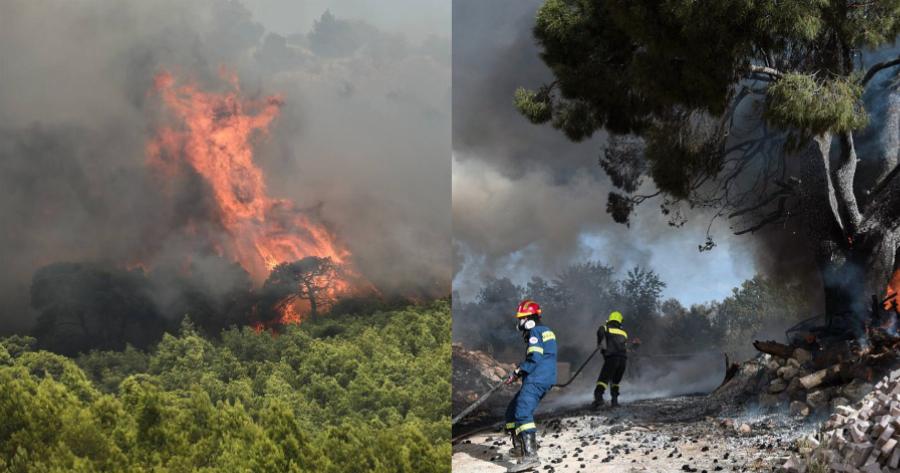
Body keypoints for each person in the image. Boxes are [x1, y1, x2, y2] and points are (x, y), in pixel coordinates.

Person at [503, 299, 557, 472]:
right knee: (511, 412)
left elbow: (534, 358)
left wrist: (518, 371)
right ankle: (520, 448)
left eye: (522, 319)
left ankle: (531, 457)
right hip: (541, 377)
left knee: (523, 413)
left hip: (537, 378)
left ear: (530, 319)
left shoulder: (534, 331)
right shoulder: (546, 331)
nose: (520, 323)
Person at [593, 310, 628, 409]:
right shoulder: (624, 333)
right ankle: (615, 402)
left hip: (612, 358)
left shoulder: (605, 327)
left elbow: (600, 331)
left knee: (603, 379)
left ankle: (598, 399)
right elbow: (623, 346)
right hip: (623, 360)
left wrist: (599, 344)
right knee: (615, 381)